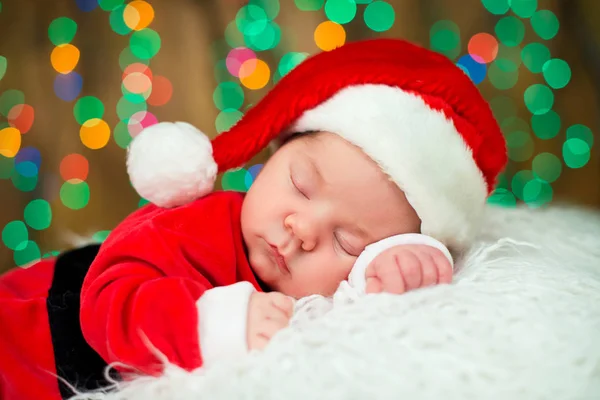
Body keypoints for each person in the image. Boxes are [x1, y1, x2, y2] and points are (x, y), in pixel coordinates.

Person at [0, 38, 507, 400]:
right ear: (271, 157)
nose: (302, 229)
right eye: (301, 186)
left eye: (350, 243)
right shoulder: (195, 224)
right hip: (26, 343)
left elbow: (364, 296)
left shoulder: (324, 289)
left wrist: (402, 264)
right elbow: (110, 303)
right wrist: (211, 323)